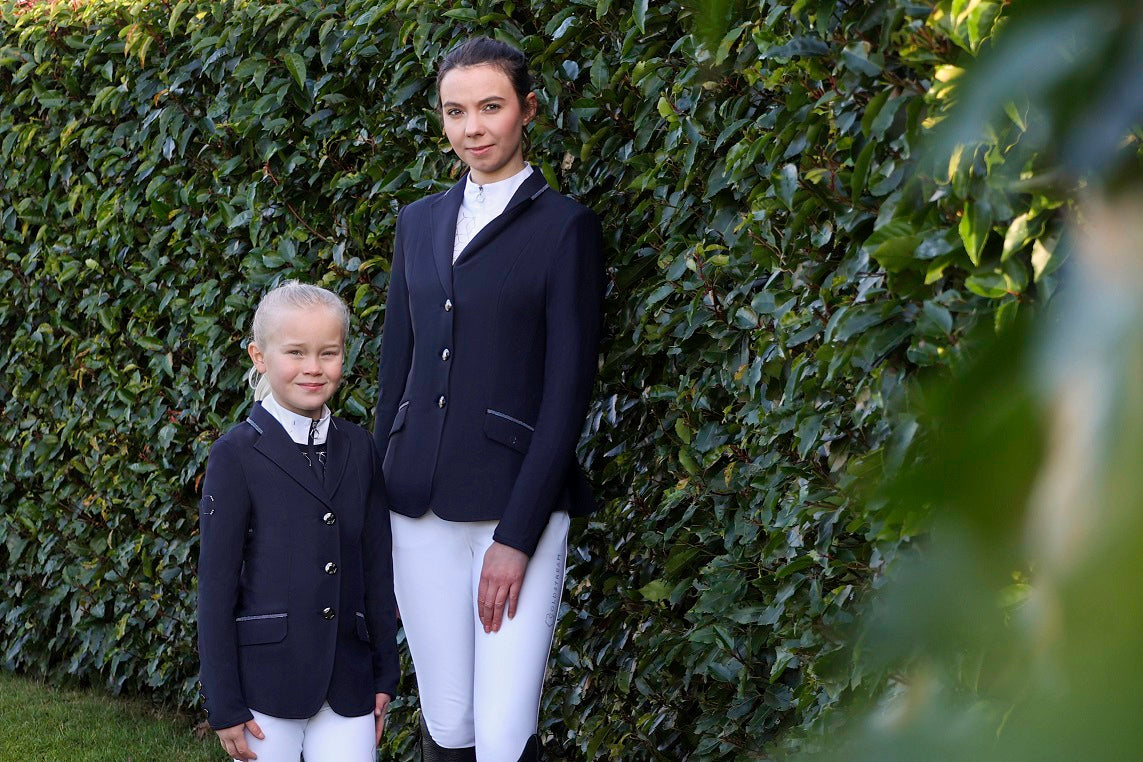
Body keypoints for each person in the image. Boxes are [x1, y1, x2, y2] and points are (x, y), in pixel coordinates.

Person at [373, 36, 605, 762]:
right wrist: (374, 498)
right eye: (455, 111)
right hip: (415, 508)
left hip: (514, 506)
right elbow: (394, 370)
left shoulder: (566, 227)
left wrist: (517, 535)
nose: (472, 128)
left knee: (504, 733)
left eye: (490, 107)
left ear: (527, 110)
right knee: (449, 724)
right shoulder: (417, 222)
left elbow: (567, 393)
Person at [197, 281, 399, 762]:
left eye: (328, 353)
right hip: (264, 687)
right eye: (296, 352)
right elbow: (216, 587)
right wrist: (224, 702)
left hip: (349, 683)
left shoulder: (360, 448)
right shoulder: (235, 455)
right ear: (259, 357)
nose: (313, 367)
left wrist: (384, 675)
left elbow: (377, 568)